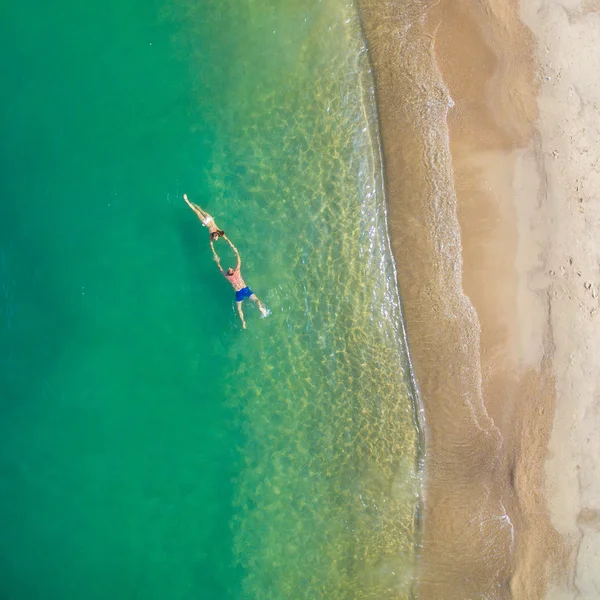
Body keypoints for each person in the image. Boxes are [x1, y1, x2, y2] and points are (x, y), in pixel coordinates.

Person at [211, 237, 267, 329]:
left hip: (238, 292)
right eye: (230, 269)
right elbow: (239, 260)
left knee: (239, 309)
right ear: (232, 270)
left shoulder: (228, 277)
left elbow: (220, 269)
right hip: (245, 289)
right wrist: (235, 251)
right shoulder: (237, 271)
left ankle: (243, 322)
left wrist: (217, 261)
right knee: (257, 300)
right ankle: (260, 308)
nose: (229, 268)